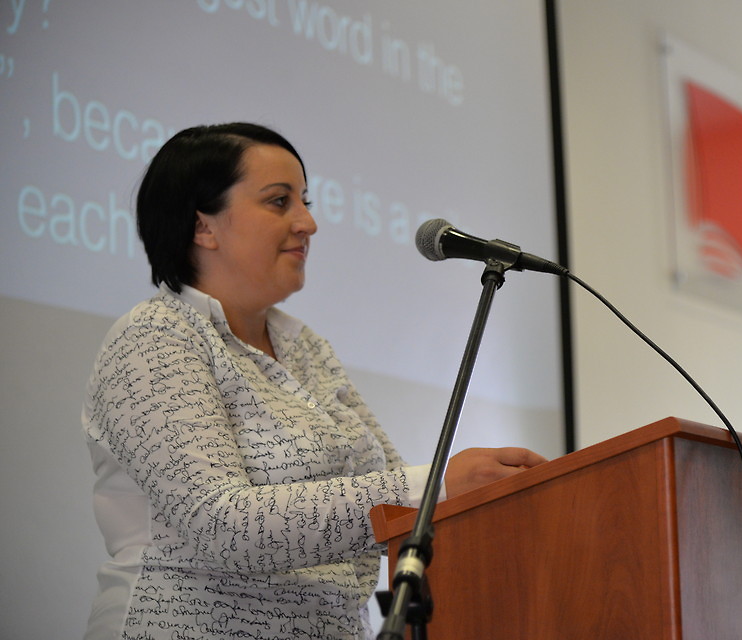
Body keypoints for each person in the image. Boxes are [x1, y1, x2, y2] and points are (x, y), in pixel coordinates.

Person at [82, 122, 548, 640]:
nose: (308, 223)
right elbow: (222, 526)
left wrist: (484, 494)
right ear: (203, 227)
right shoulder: (155, 337)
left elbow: (391, 503)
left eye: (305, 202)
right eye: (279, 201)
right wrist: (436, 486)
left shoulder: (305, 347)